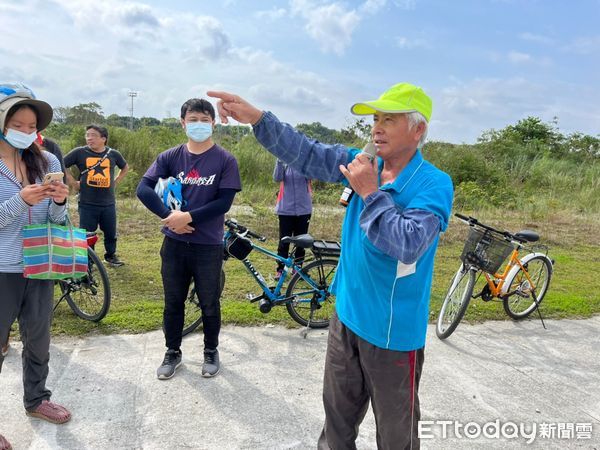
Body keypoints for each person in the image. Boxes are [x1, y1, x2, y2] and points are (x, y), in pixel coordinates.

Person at [208, 83, 454, 450]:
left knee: (397, 435)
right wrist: (258, 119)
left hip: (392, 335)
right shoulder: (362, 162)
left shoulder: (433, 184)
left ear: (418, 130)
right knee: (336, 424)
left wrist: (370, 193)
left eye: (390, 119)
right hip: (346, 317)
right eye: (375, 119)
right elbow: (307, 153)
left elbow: (407, 245)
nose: (377, 128)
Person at [136, 98, 241, 380]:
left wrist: (188, 217)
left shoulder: (225, 160)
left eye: (204, 120)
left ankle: (210, 351)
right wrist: (169, 217)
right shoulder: (170, 157)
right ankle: (172, 352)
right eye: (193, 120)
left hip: (208, 245)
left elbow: (224, 202)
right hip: (174, 244)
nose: (199, 125)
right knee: (173, 301)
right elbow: (143, 188)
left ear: (213, 124)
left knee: (209, 302)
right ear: (183, 123)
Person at [0, 83, 72, 449]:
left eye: (32, 127)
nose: (26, 132)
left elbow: (59, 221)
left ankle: (36, 399)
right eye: (19, 124)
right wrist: (18, 201)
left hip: (40, 265)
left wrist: (60, 202)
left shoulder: (47, 162)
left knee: (38, 339)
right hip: (2, 269)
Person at [64, 125, 129, 266]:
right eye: (87, 135)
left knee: (111, 233)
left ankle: (110, 256)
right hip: (87, 203)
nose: (89, 138)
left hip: (108, 203)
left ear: (103, 139)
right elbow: (61, 164)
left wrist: (116, 181)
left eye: (93, 135)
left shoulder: (113, 154)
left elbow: (125, 167)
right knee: (87, 234)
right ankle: (89, 260)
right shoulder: (79, 152)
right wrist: (73, 183)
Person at [272, 159, 312, 279]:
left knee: (301, 240)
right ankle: (281, 269)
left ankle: (298, 268)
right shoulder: (284, 162)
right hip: (285, 209)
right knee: (284, 240)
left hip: (304, 209)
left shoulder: (304, 163)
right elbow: (277, 178)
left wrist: (303, 161)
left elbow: (311, 176)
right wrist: (280, 161)